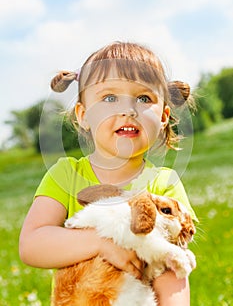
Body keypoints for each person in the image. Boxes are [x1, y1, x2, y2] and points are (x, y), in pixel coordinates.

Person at [19, 41, 198, 305]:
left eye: (144, 98)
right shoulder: (66, 174)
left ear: (163, 117)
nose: (128, 110)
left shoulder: (164, 184)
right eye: (110, 98)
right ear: (83, 115)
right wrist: (102, 242)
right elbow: (32, 244)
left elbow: (174, 265)